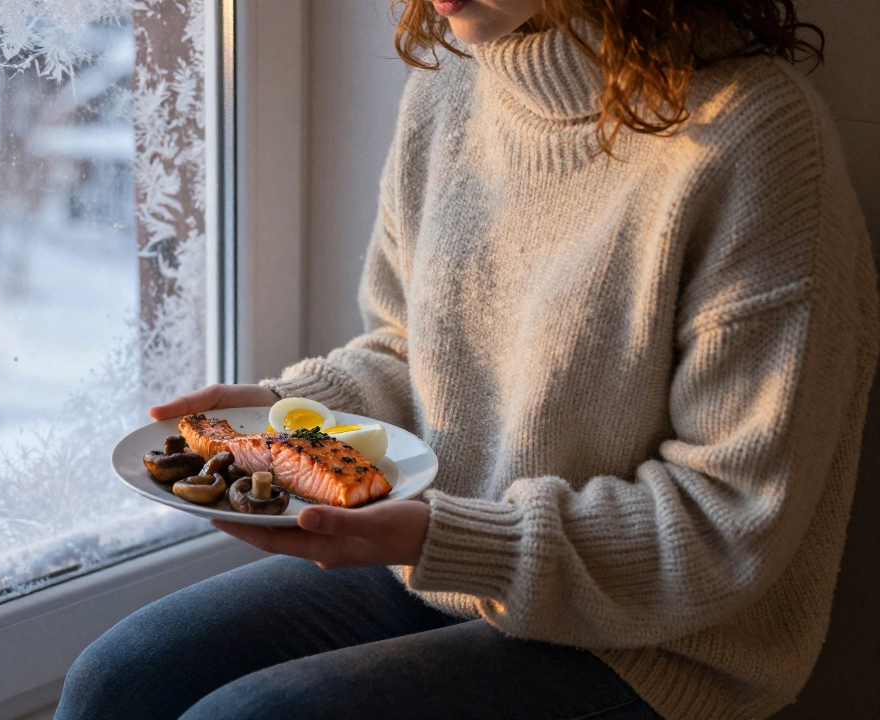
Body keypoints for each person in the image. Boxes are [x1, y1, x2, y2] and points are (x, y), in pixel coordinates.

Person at [56, 0, 879, 716]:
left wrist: (440, 537)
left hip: (655, 647)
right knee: (117, 678)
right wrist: (288, 415)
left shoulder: (756, 139)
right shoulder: (450, 89)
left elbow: (724, 520)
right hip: (443, 561)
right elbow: (412, 352)